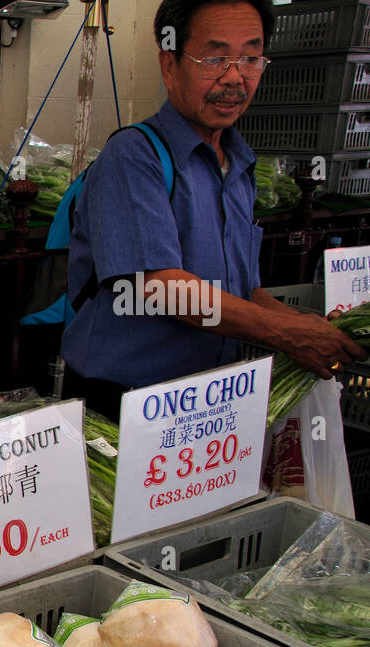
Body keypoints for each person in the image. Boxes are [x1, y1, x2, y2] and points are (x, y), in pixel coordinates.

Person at [60, 0, 367, 420]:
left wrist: (311, 329)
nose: (235, 77)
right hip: (129, 403)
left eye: (251, 58)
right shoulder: (134, 156)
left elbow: (244, 292)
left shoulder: (239, 164)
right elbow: (162, 289)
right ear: (170, 66)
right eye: (215, 58)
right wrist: (286, 333)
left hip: (211, 401)